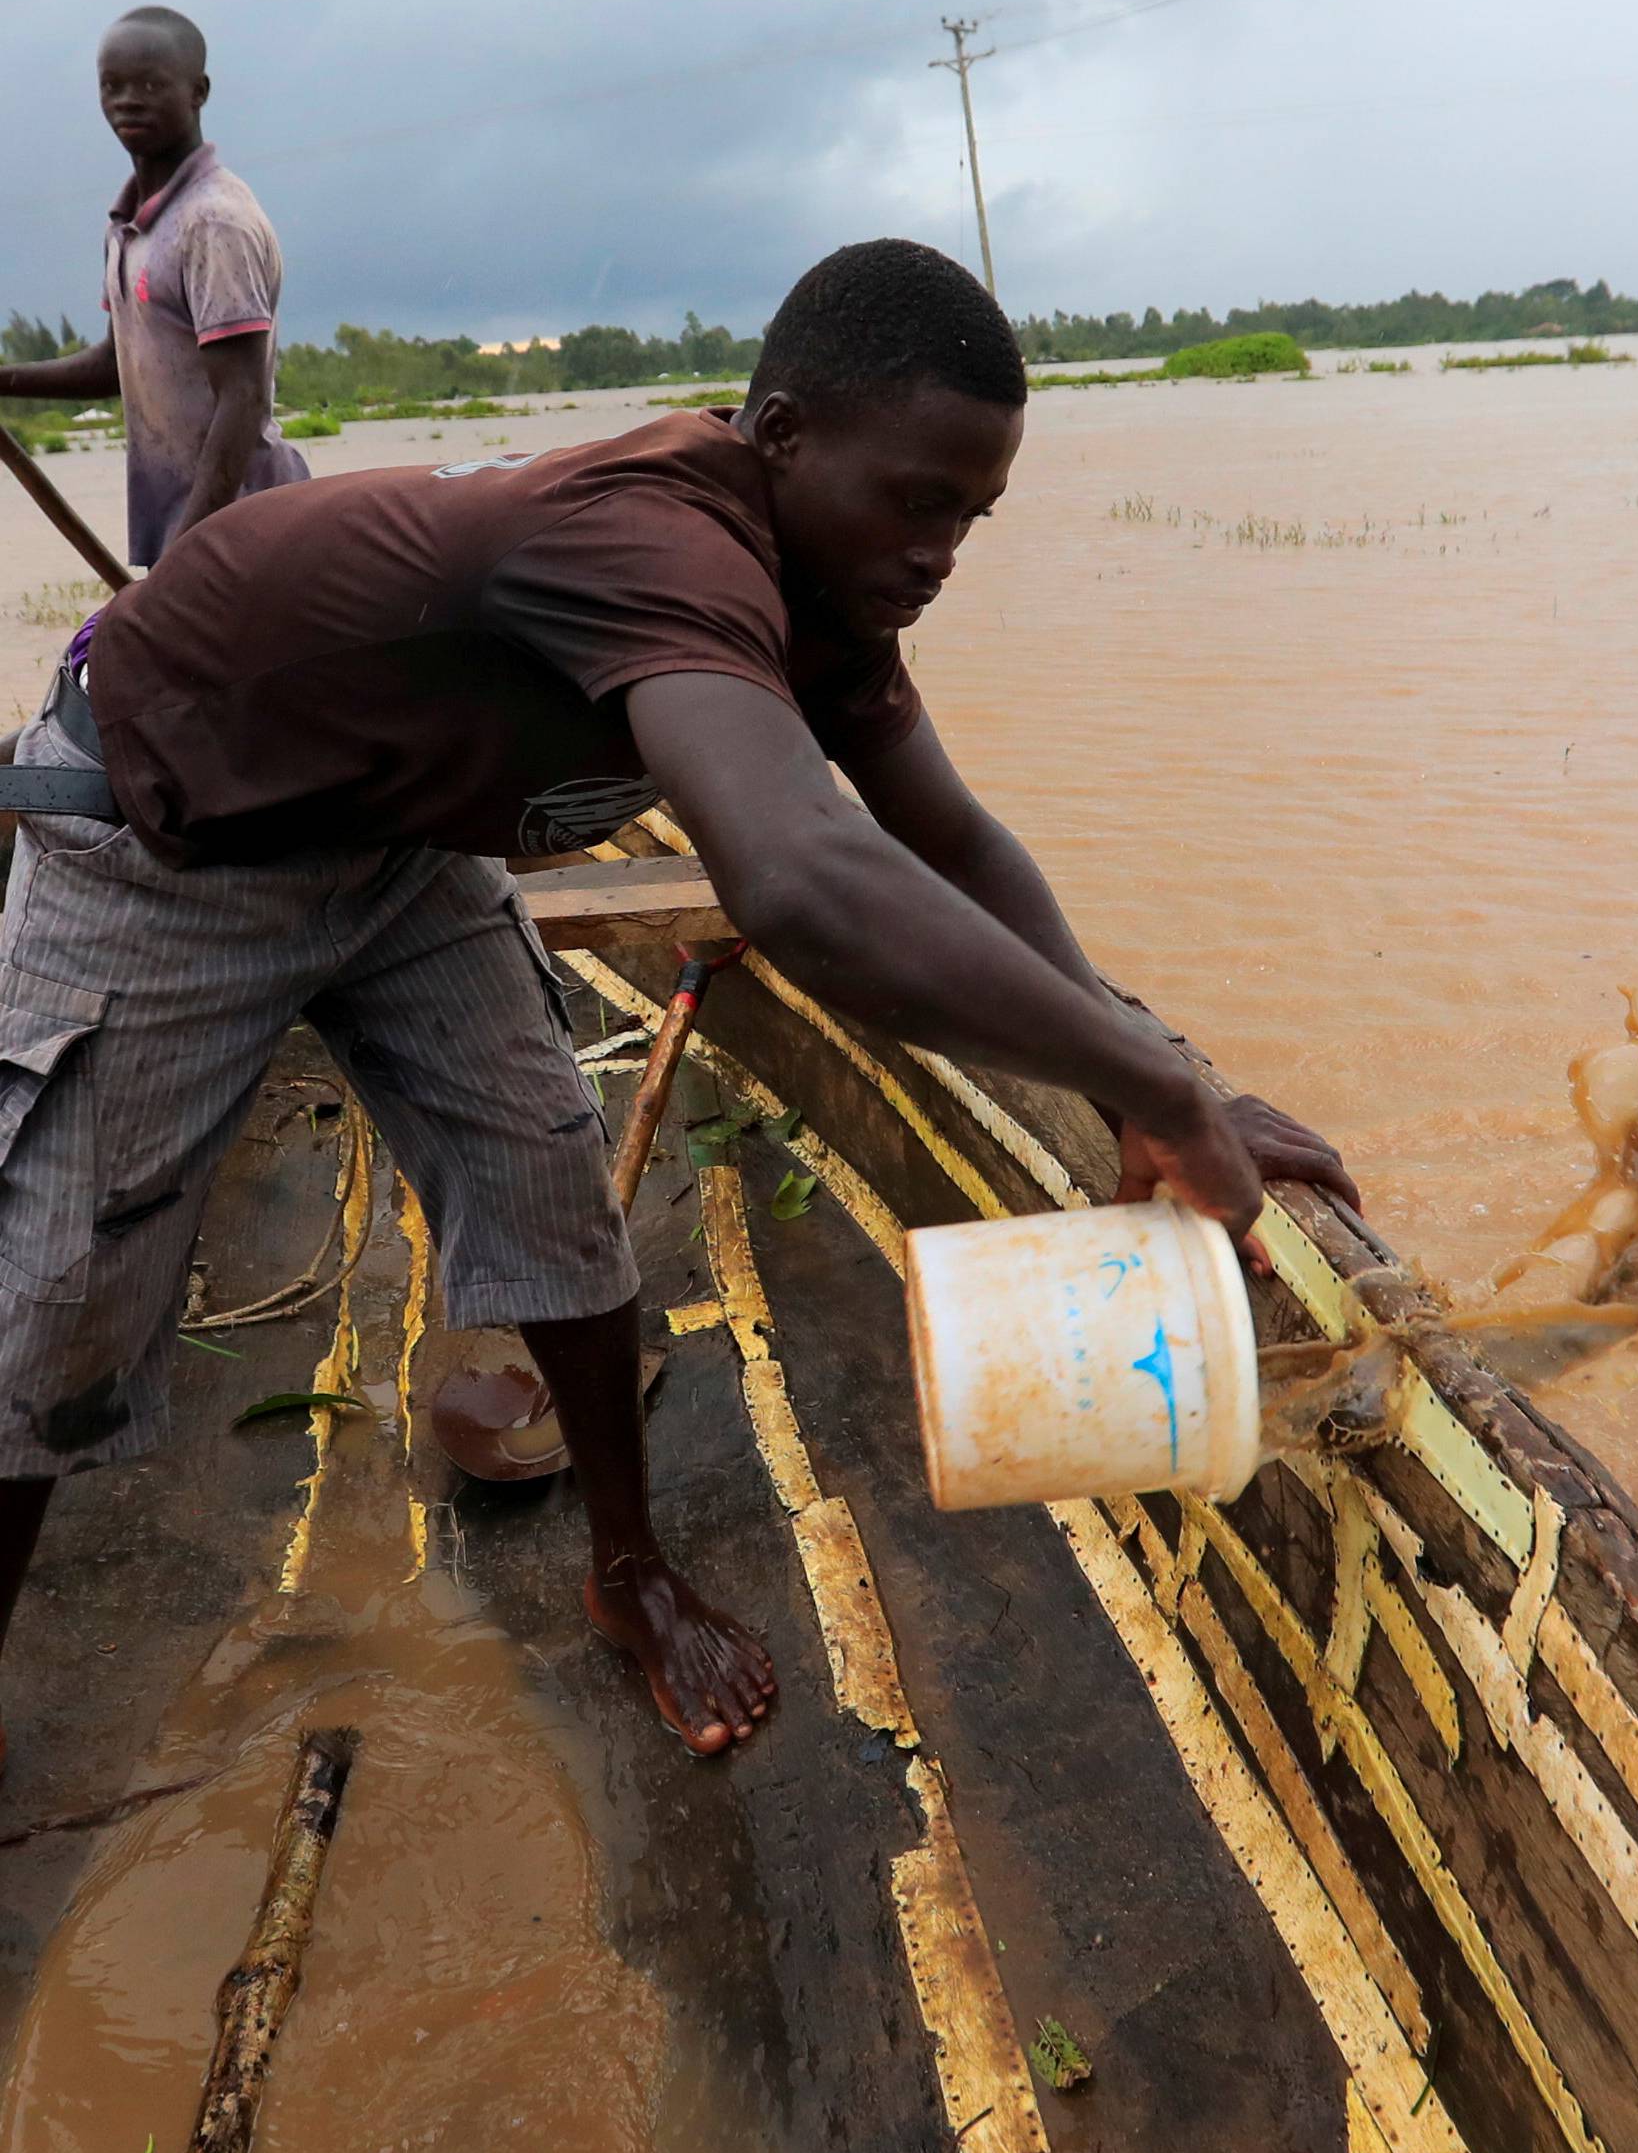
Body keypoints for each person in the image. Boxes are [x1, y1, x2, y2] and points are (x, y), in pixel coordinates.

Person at [0, 238, 1356, 1765]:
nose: (940, 552)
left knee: (552, 1183)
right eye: (918, 498)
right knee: (55, 1306)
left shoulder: (835, 592)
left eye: (971, 515)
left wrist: (1147, 1068)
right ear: (780, 438)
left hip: (404, 840)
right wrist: (1166, 1098)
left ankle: (628, 1570)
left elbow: (951, 841)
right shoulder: (662, 542)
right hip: (168, 822)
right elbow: (796, 876)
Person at [0, 5, 308, 569]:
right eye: (112, 85)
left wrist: (188, 555)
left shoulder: (214, 222)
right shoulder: (130, 227)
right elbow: (112, 363)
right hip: (184, 530)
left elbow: (242, 398)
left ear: (198, 91)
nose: (127, 100)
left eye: (149, 84)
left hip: (246, 530)